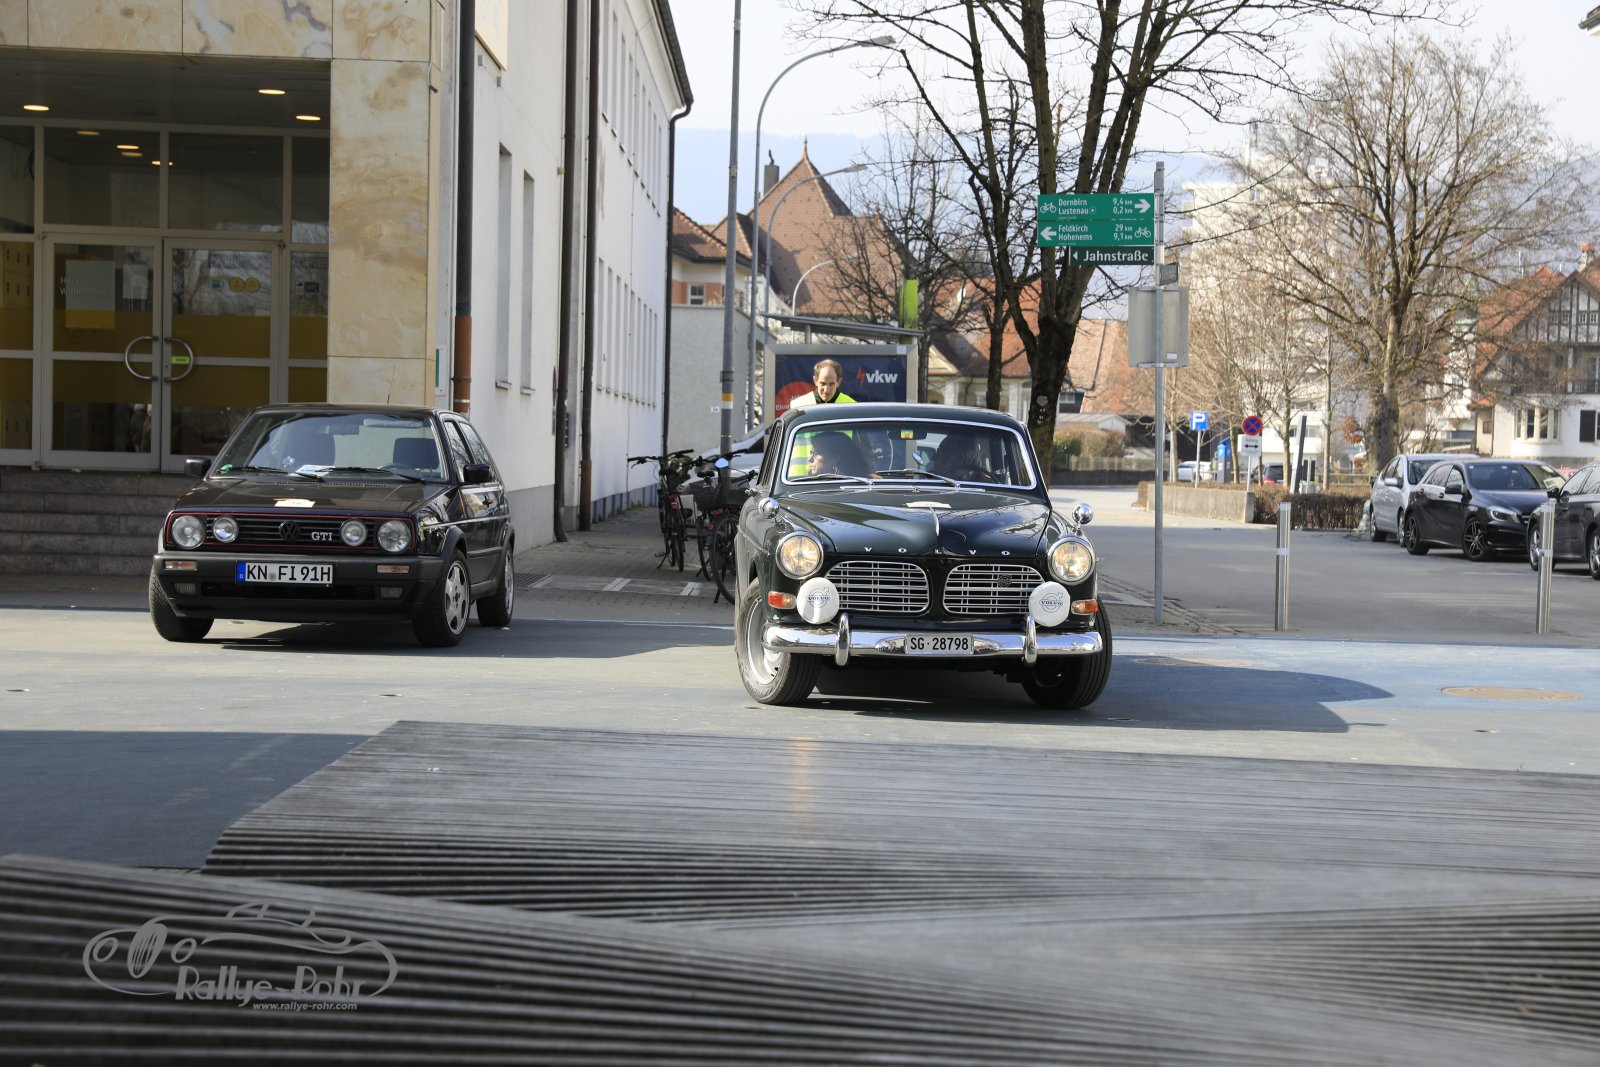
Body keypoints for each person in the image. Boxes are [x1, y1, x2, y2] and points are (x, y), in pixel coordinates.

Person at [788, 359, 855, 409]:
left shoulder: (852, 406)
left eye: (831, 384)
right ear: (815, 381)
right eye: (823, 384)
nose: (826, 390)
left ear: (839, 382)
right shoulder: (798, 406)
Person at [805, 430, 871, 477]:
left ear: (835, 459)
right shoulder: (807, 483)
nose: (810, 459)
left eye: (816, 453)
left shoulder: (855, 484)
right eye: (812, 452)